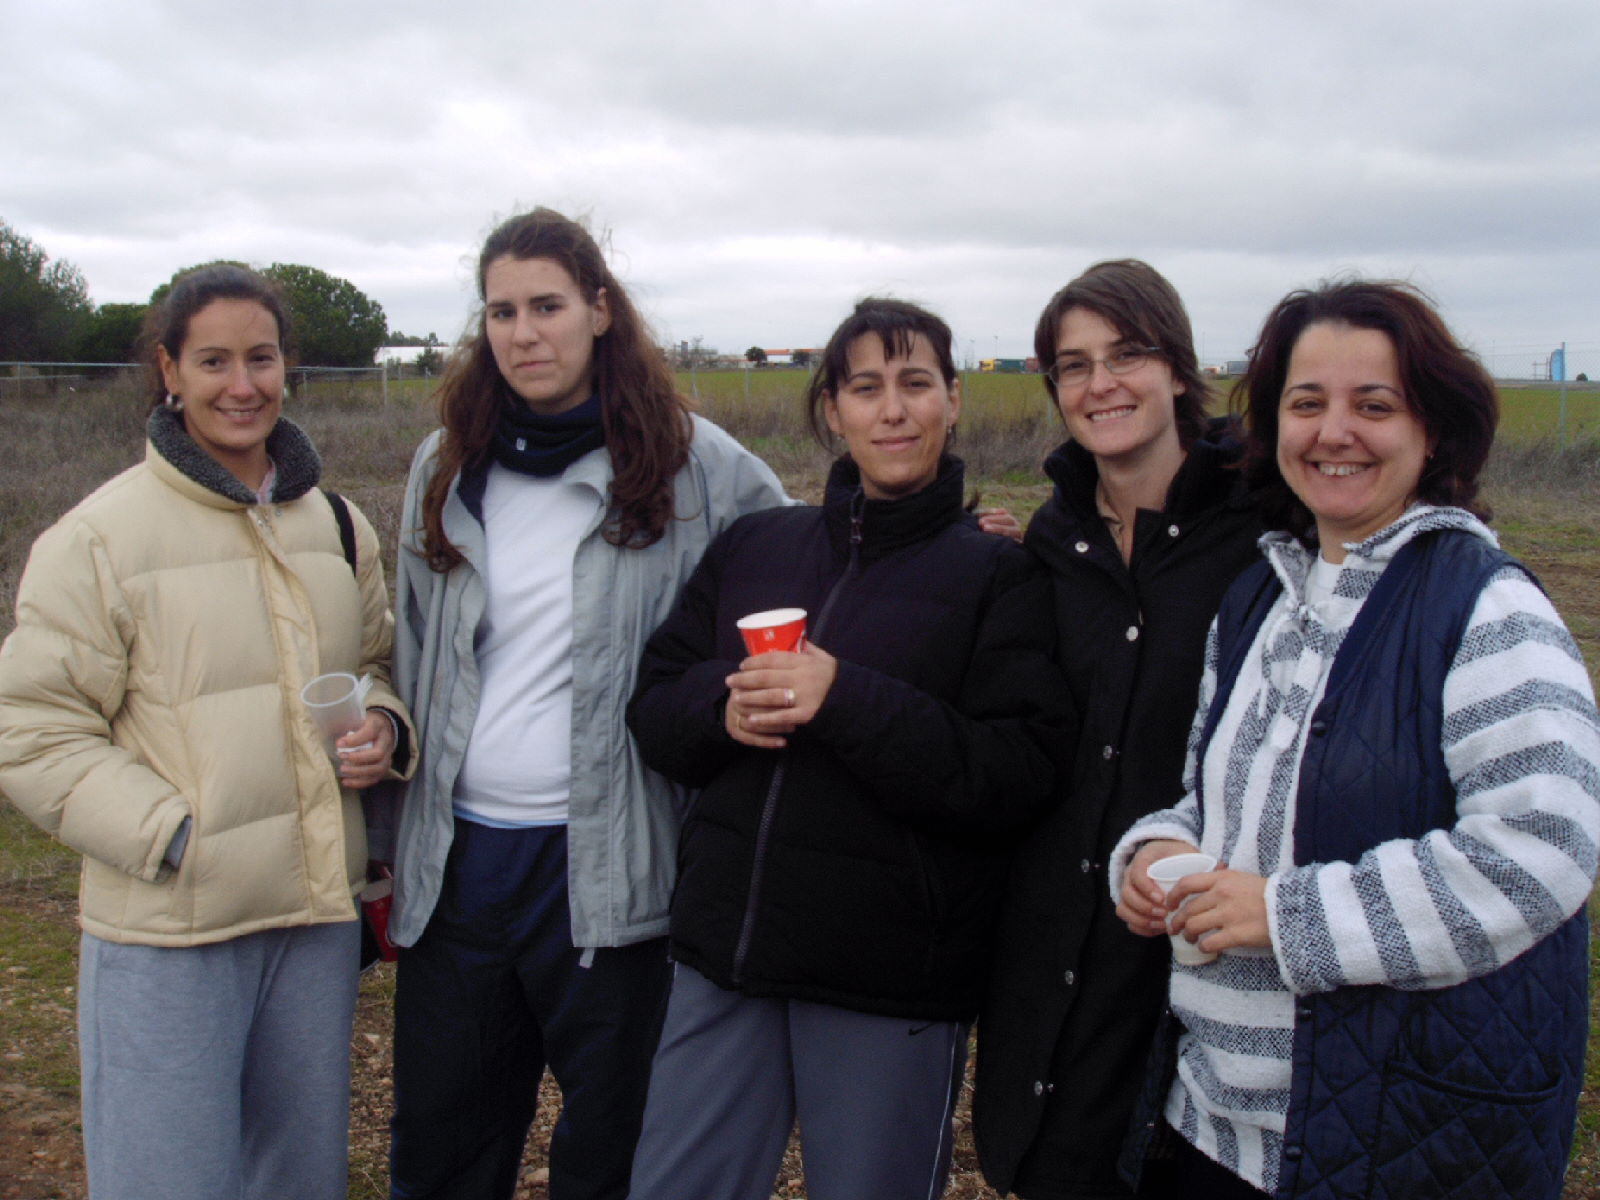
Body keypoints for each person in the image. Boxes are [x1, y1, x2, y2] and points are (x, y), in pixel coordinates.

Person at [1112, 279, 1600, 1198]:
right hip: (1209, 1124)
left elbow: (1543, 851)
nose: (1334, 433)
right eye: (1307, 404)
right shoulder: (1259, 599)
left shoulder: (1485, 607)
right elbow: (1209, 799)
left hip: (1382, 1140)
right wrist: (1155, 849)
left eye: (1374, 406)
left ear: (1433, 430)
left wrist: (1285, 915)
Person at [624, 297, 1073, 1200]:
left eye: (916, 384)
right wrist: (723, 709)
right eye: (866, 388)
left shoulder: (1001, 574)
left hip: (888, 980)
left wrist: (846, 697)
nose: (892, 410)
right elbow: (655, 705)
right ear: (833, 410)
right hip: (729, 956)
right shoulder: (758, 545)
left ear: (954, 400)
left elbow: (1013, 775)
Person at [383, 208, 790, 1200]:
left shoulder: (698, 467)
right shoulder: (446, 467)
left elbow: (804, 573)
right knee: (443, 1150)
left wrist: (942, 547)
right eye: (502, 312)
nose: (524, 333)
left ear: (601, 311)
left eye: (548, 306)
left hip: (614, 871)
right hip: (461, 871)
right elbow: (413, 653)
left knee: (614, 1154)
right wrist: (387, 840)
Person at [0, 263, 412, 1200]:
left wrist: (384, 729)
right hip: (171, 933)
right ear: (169, 371)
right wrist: (173, 835)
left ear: (287, 366)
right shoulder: (100, 539)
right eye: (213, 361)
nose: (242, 385)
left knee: (296, 1178)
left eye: (260, 358)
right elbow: (29, 726)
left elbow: (374, 664)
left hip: (313, 928)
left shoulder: (338, 527)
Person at [974, 260, 1264, 1199]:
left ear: (1177, 368)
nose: (1101, 384)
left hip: (1195, 939)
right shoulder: (1052, 541)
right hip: (1058, 934)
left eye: (1127, 354)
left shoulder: (1264, 531)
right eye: (1074, 365)